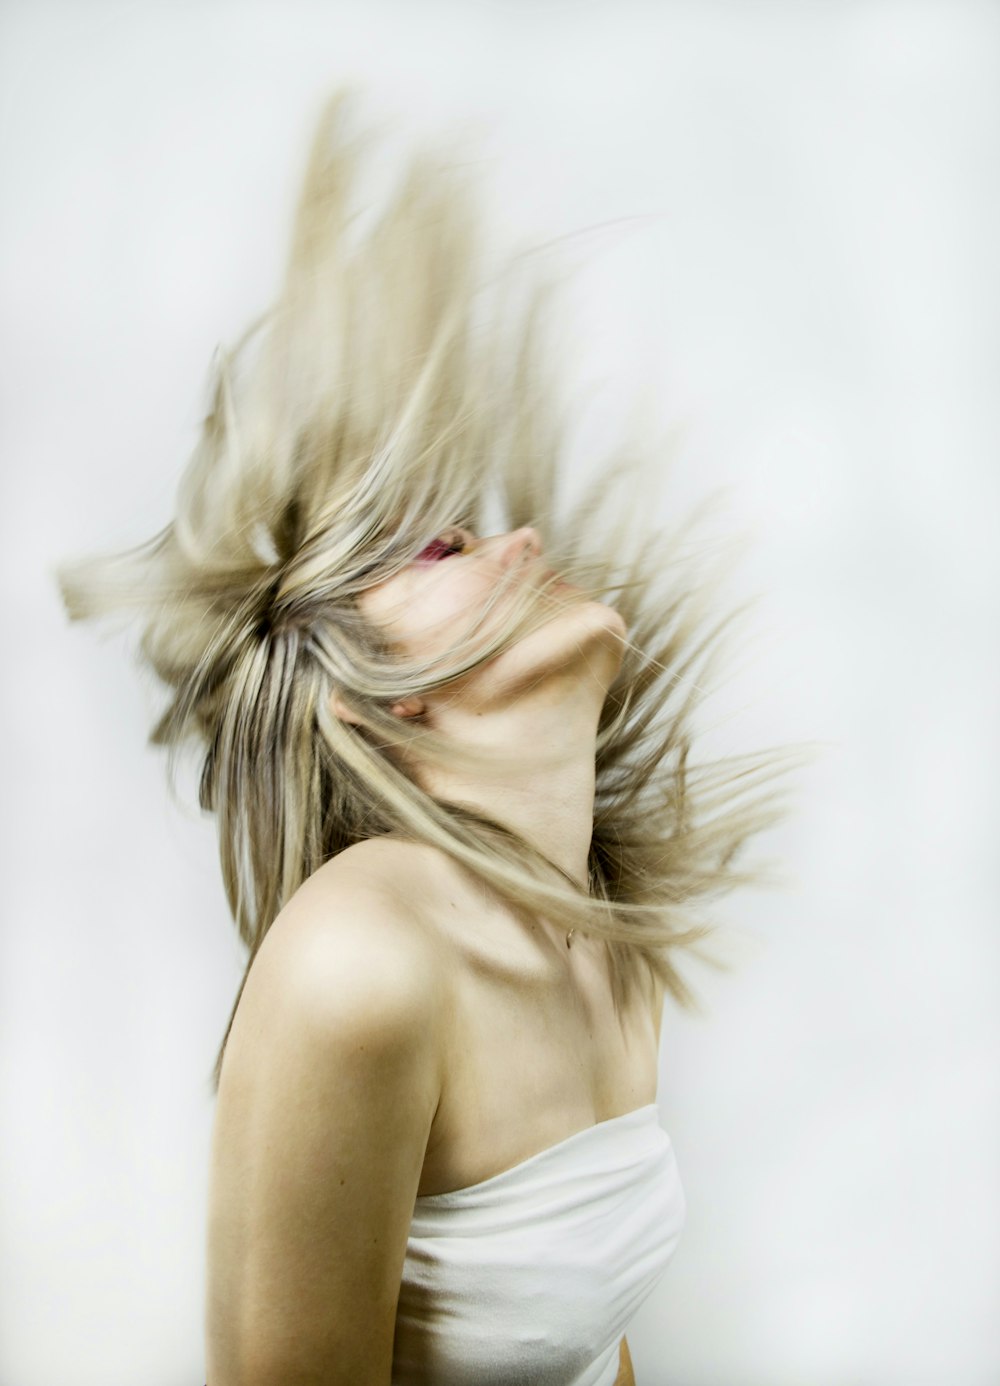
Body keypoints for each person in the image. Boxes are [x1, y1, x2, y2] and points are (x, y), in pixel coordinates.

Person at [60, 93, 787, 1386]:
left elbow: (596, 1346)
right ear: (369, 693)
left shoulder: (604, 936)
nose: (527, 542)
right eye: (444, 547)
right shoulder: (359, 960)